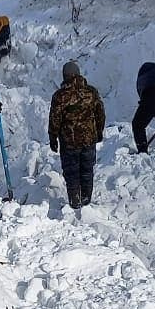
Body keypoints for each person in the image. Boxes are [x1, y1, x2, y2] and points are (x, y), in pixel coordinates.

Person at [48, 60, 105, 209]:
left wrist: (53, 138)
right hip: (89, 140)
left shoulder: (60, 96)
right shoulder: (91, 92)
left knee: (72, 174)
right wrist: (99, 131)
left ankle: (75, 203)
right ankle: (86, 202)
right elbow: (100, 113)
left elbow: (55, 119)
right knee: (87, 171)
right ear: (79, 74)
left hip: (69, 143)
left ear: (64, 76)